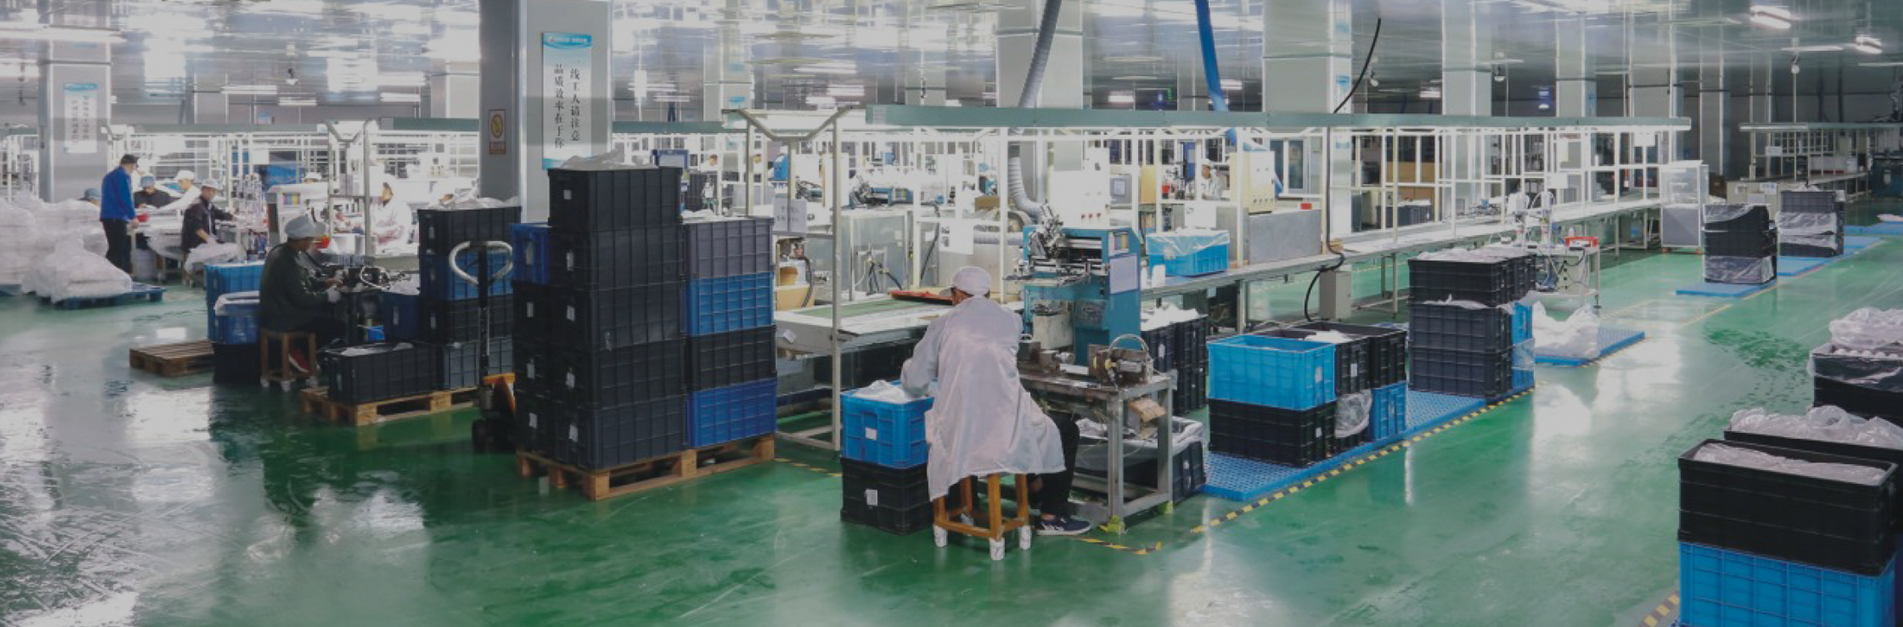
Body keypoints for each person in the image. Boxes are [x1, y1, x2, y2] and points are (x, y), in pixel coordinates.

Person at [900, 266, 1087, 535]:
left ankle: (1034, 488)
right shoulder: (1011, 320)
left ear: (957, 294)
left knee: (1027, 428)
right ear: (988, 294)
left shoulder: (942, 325)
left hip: (960, 434)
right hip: (1006, 433)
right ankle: (1051, 513)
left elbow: (915, 381)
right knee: (1063, 430)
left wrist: (916, 377)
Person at [260, 215, 346, 373]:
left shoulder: (281, 251)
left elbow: (301, 281)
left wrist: (325, 283)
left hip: (276, 311)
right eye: (310, 239)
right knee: (337, 326)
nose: (312, 243)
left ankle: (304, 351)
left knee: (326, 314)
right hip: (284, 317)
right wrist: (327, 296)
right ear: (301, 240)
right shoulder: (288, 262)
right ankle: (298, 350)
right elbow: (303, 298)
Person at [98, 154, 138, 272]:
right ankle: (109, 274)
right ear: (132, 165)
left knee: (114, 248)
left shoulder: (109, 176)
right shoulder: (123, 176)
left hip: (108, 217)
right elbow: (125, 197)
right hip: (116, 217)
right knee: (117, 250)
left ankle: (112, 274)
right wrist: (133, 216)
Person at [181, 180, 234, 254]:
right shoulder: (196, 205)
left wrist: (235, 218)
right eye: (208, 190)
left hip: (203, 244)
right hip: (195, 247)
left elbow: (219, 214)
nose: (211, 193)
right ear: (202, 190)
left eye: (214, 191)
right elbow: (197, 229)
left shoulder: (208, 205)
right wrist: (211, 241)